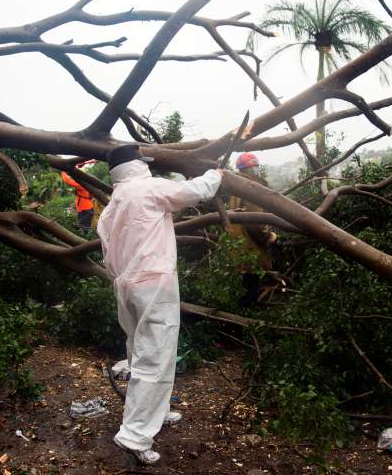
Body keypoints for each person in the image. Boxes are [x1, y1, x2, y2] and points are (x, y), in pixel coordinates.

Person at [97, 144, 222, 465]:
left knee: (140, 351)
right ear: (137, 166)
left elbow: (108, 256)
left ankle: (157, 411)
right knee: (156, 357)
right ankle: (135, 436)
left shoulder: (113, 205)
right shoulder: (148, 188)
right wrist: (216, 172)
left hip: (126, 286)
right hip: (154, 285)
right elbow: (198, 190)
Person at [225, 152, 277, 307]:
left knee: (245, 284)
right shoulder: (251, 189)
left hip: (239, 244)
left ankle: (243, 310)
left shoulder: (236, 186)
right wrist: (269, 237)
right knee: (251, 283)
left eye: (256, 167)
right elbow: (255, 223)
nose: (255, 171)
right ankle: (248, 318)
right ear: (244, 171)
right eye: (251, 168)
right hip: (250, 246)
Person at [60, 161, 95, 230]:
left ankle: (85, 239)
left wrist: (63, 171)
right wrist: (78, 165)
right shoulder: (87, 183)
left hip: (84, 209)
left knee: (83, 228)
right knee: (86, 227)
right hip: (88, 208)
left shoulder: (81, 185)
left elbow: (67, 180)